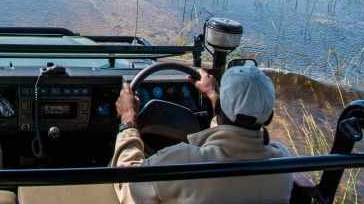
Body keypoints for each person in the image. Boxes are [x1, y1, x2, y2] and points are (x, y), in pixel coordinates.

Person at [111, 65, 293, 204]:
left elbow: (127, 184)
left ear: (220, 109)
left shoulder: (183, 163)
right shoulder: (283, 163)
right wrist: (213, 95)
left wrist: (128, 120)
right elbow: (236, 134)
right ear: (269, 117)